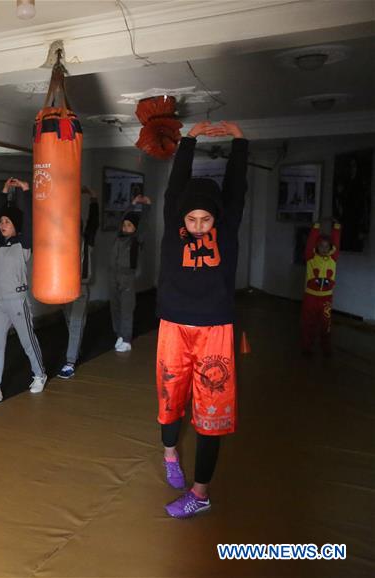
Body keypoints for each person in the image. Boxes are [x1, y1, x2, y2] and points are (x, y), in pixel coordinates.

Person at [155, 120, 248, 519]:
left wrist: (240, 141)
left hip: (215, 331)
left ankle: (201, 492)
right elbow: (176, 186)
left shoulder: (225, 231)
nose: (197, 227)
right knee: (169, 399)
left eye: (204, 221)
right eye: (191, 220)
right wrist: (188, 139)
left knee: (212, 412)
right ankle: (170, 452)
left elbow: (236, 190)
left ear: (216, 220)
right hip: (173, 326)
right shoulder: (174, 230)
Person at [0, 177, 47, 402]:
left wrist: (25, 191)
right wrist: (3, 191)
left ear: (16, 226)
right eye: (1, 221)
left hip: (16, 299)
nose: (2, 224)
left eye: (8, 222)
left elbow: (31, 219)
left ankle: (39, 374)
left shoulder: (24, 243)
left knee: (27, 340)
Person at [57, 186, 99, 378]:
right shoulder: (63, 242)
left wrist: (93, 199)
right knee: (71, 320)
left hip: (80, 287)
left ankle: (70, 362)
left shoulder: (87, 239)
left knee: (75, 322)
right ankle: (76, 347)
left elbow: (94, 222)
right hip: (64, 287)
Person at [109, 194, 152, 353]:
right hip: (113, 276)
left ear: (135, 228)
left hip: (127, 277)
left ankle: (126, 339)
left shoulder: (136, 239)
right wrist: (132, 205)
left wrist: (146, 207)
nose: (125, 227)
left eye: (129, 225)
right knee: (115, 307)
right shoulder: (117, 237)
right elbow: (122, 218)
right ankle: (119, 334)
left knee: (127, 308)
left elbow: (144, 224)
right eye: (124, 225)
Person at [301, 219, 341, 356]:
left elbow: (336, 242)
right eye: (321, 246)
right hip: (310, 297)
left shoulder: (333, 258)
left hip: (326, 299)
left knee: (326, 325)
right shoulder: (310, 257)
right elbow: (311, 242)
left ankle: (326, 348)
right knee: (309, 323)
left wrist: (336, 227)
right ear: (316, 247)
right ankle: (307, 347)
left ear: (331, 248)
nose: (324, 249)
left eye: (326, 246)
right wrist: (316, 226)